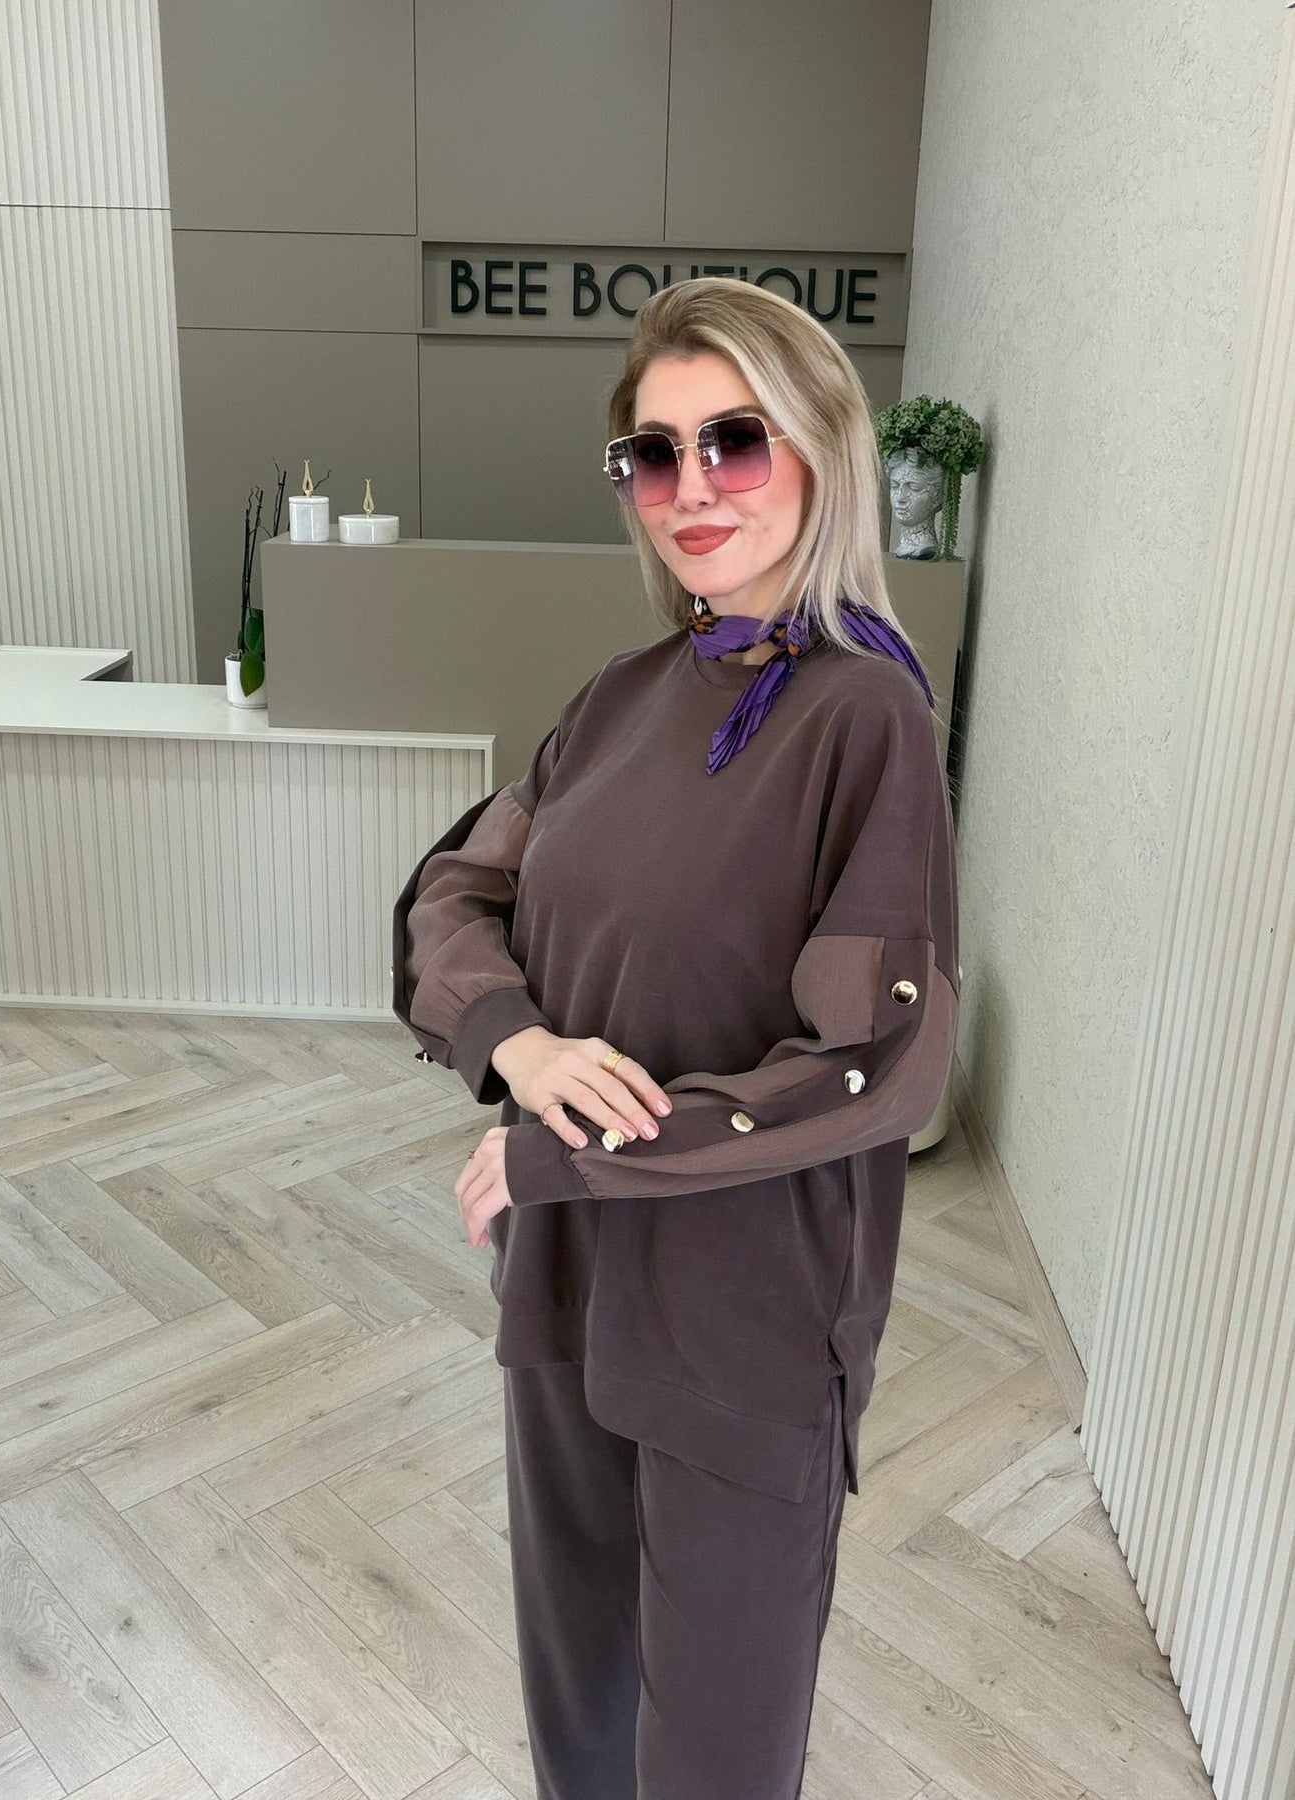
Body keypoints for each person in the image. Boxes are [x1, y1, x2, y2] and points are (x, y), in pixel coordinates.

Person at [390, 275, 960, 1800]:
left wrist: (570, 1148)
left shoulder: (864, 720)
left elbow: (876, 1065)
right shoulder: (617, 699)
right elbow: (451, 893)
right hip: (564, 1274)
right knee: (575, 1691)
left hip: (743, 1313)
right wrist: (518, 1050)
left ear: (820, 449)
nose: (691, 488)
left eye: (734, 442)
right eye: (653, 453)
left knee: (715, 1733)